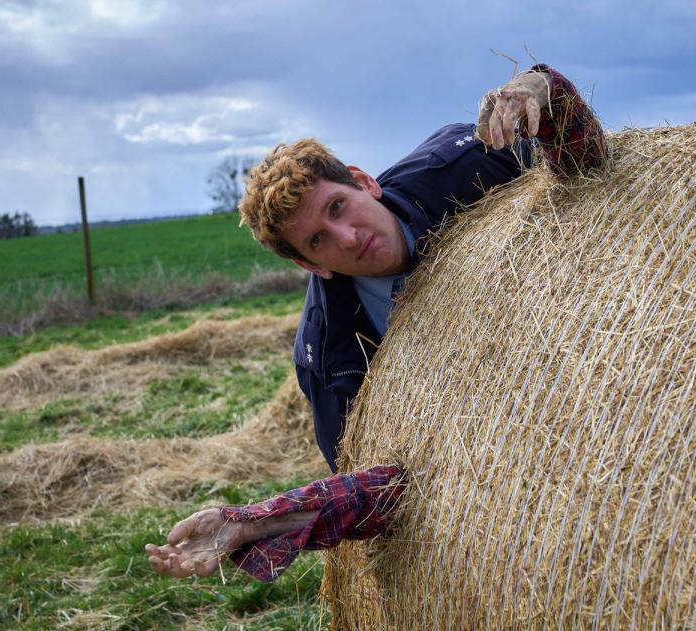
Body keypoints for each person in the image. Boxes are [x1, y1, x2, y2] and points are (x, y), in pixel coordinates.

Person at [145, 63, 607, 582]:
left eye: (339, 206)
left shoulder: (464, 165)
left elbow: (591, 180)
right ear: (310, 265)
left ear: (366, 183)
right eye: (318, 240)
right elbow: (380, 489)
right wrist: (253, 522)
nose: (346, 237)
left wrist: (541, 90)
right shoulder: (330, 359)